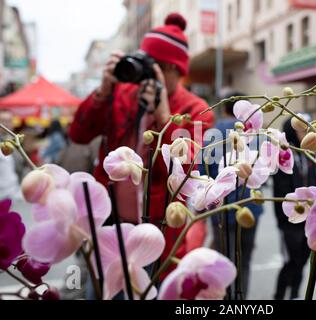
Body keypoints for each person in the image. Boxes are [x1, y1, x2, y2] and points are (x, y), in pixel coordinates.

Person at [69, 13, 214, 282]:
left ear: (174, 69)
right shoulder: (122, 94)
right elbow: (78, 134)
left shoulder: (196, 109)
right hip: (109, 222)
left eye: (154, 65)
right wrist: (102, 92)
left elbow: (184, 168)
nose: (145, 73)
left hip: (155, 231)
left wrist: (164, 116)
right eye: (143, 62)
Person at [200, 92, 263, 298]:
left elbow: (202, 175)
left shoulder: (212, 134)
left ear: (223, 108)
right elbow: (264, 172)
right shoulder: (256, 135)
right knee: (244, 260)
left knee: (224, 263)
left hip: (221, 208)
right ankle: (241, 299)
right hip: (249, 205)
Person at [273, 115, 316, 300]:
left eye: (306, 129)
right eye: (301, 129)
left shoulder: (308, 154)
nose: (305, 133)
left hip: (309, 217)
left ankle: (295, 295)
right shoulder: (284, 154)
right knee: (292, 260)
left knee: (302, 261)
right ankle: (279, 295)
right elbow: (280, 189)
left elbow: (314, 181)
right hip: (290, 219)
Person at [0, 109, 21, 201]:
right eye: (4, 121)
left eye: (9, 121)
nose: (7, 124)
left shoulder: (14, 140)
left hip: (14, 191)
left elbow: (19, 164)